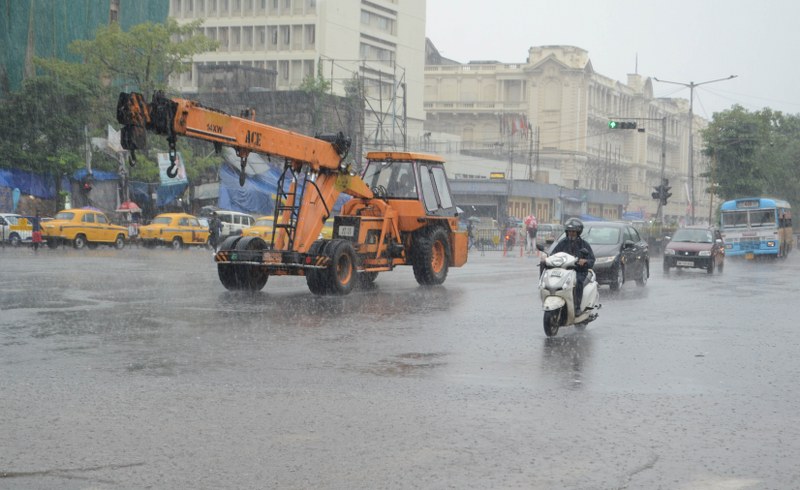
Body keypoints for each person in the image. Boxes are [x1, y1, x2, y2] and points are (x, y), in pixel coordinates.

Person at [548, 218, 595, 314]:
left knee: (577, 282)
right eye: (569, 231)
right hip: (564, 270)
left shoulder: (584, 244)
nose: (571, 233)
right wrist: (547, 258)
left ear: (578, 232)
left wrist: (584, 261)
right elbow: (554, 254)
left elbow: (592, 260)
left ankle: (577, 307)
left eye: (573, 231)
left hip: (579, 271)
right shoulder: (562, 243)